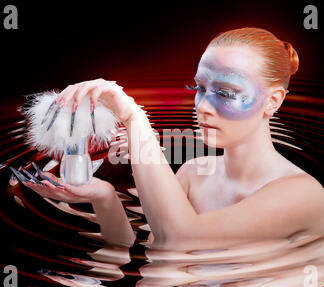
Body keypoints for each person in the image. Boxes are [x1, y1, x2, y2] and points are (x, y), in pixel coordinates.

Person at [22, 27, 324, 251]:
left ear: (273, 101)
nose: (203, 107)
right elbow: (157, 249)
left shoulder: (304, 194)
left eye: (226, 93)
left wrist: (133, 116)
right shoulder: (193, 173)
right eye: (200, 88)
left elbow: (181, 238)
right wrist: (104, 197)